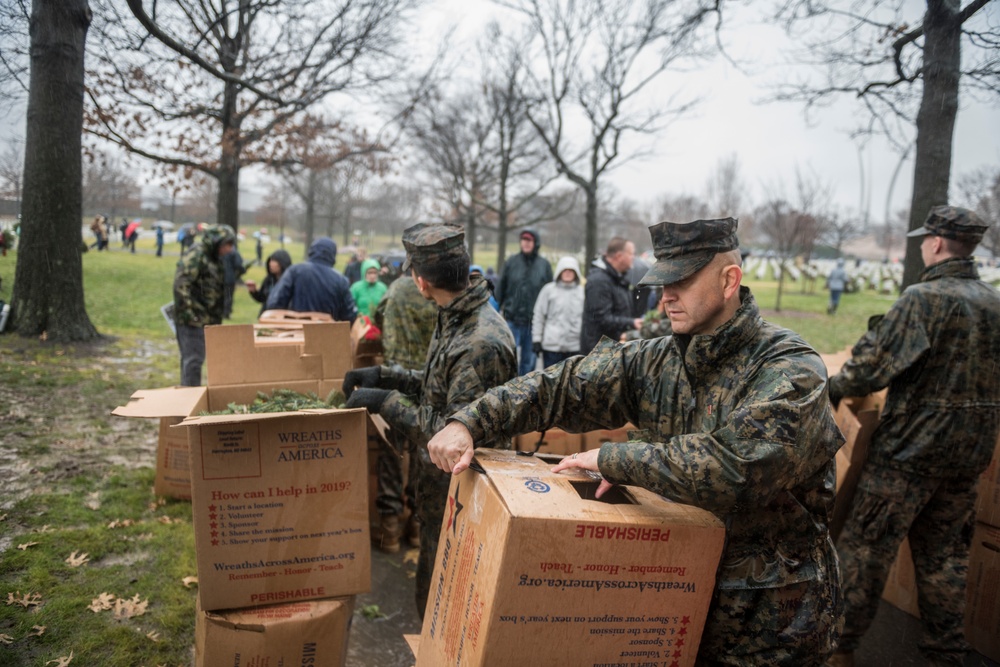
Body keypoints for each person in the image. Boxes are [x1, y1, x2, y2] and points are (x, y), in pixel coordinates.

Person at [428, 217, 845, 666]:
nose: (665, 296)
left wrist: (614, 459)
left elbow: (737, 466)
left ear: (730, 281)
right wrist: (469, 421)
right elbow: (563, 385)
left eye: (681, 282)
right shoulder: (661, 358)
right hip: (673, 605)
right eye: (662, 282)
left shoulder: (790, 368)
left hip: (765, 628)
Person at [826, 206, 1000, 667]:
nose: (923, 245)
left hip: (909, 453)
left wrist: (830, 390)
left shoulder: (922, 300)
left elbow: (869, 369)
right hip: (969, 455)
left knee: (864, 548)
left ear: (938, 243)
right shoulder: (994, 304)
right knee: (944, 555)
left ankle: (837, 649)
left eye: (926, 239)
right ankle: (946, 653)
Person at [342, 222, 516, 619]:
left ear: (421, 282)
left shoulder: (480, 341)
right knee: (431, 591)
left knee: (446, 606)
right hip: (440, 487)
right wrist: (387, 376)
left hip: (465, 489)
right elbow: (438, 387)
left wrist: (386, 402)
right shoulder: (455, 313)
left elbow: (456, 435)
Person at [369, 266, 439, 553]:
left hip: (396, 377)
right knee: (423, 450)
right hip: (429, 380)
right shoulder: (439, 291)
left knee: (391, 452)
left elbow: (377, 317)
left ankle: (390, 530)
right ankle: (416, 527)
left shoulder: (395, 289)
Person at [172, 224, 236, 386]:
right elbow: (181, 284)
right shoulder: (197, 254)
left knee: (197, 361)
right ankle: (189, 402)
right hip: (193, 320)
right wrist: (190, 314)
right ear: (216, 242)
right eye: (227, 245)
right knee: (193, 362)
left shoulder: (214, 258)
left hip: (206, 318)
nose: (230, 249)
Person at [496, 229, 553, 375]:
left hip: (532, 324)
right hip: (512, 320)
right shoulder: (511, 263)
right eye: (523, 240)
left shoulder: (544, 266)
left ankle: (525, 394)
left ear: (536, 243)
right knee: (508, 360)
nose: (526, 243)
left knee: (528, 363)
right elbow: (500, 290)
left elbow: (550, 294)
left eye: (529, 241)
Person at [266, 237, 357, 323]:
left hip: (295, 331)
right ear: (333, 254)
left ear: (311, 251)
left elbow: (275, 303)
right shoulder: (341, 280)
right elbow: (349, 315)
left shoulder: (295, 270)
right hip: (327, 333)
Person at [579, 237, 642, 354]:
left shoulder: (618, 278)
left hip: (612, 347)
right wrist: (631, 322)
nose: (634, 257)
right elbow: (602, 318)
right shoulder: (599, 281)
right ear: (619, 256)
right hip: (599, 352)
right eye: (631, 254)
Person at [531, 256, 584, 367]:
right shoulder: (548, 290)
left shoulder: (582, 293)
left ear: (576, 273)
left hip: (574, 347)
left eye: (571, 271)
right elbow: (539, 315)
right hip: (552, 347)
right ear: (560, 271)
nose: (568, 273)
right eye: (565, 270)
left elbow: (587, 319)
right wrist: (537, 339)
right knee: (552, 382)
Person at [246, 249, 292, 317]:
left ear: (282, 263)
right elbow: (263, 298)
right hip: (266, 316)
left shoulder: (289, 281)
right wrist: (254, 291)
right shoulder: (269, 280)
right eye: (270, 261)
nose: (271, 264)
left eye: (274, 261)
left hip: (282, 318)